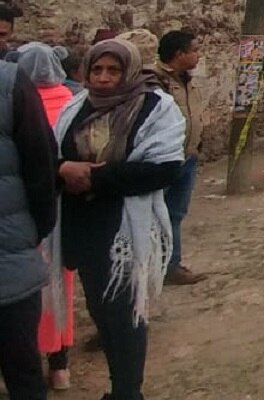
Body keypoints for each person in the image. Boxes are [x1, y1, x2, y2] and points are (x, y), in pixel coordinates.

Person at [51, 39, 183, 400]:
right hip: (82, 226)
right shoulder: (75, 106)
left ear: (131, 71)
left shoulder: (156, 108)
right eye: (97, 69)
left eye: (113, 70)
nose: (103, 78)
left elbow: (164, 168)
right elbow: (50, 156)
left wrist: (93, 177)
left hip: (124, 226)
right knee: (100, 310)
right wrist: (63, 168)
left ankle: (128, 392)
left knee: (124, 316)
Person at [1, 48, 58, 399]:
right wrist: (32, 231)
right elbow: (43, 166)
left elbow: (41, 167)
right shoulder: (11, 82)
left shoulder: (10, 83)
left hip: (9, 258)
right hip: (11, 258)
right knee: (23, 372)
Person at [15, 44, 74, 389]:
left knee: (22, 289)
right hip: (60, 210)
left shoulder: (16, 102)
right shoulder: (72, 102)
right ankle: (59, 364)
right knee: (58, 284)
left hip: (22, 213)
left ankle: (26, 362)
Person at [151, 30, 207, 286]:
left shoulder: (187, 80)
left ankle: (171, 266)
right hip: (164, 160)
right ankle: (150, 267)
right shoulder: (154, 82)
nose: (198, 55)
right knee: (154, 215)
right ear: (179, 54)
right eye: (194, 50)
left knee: (174, 213)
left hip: (188, 157)